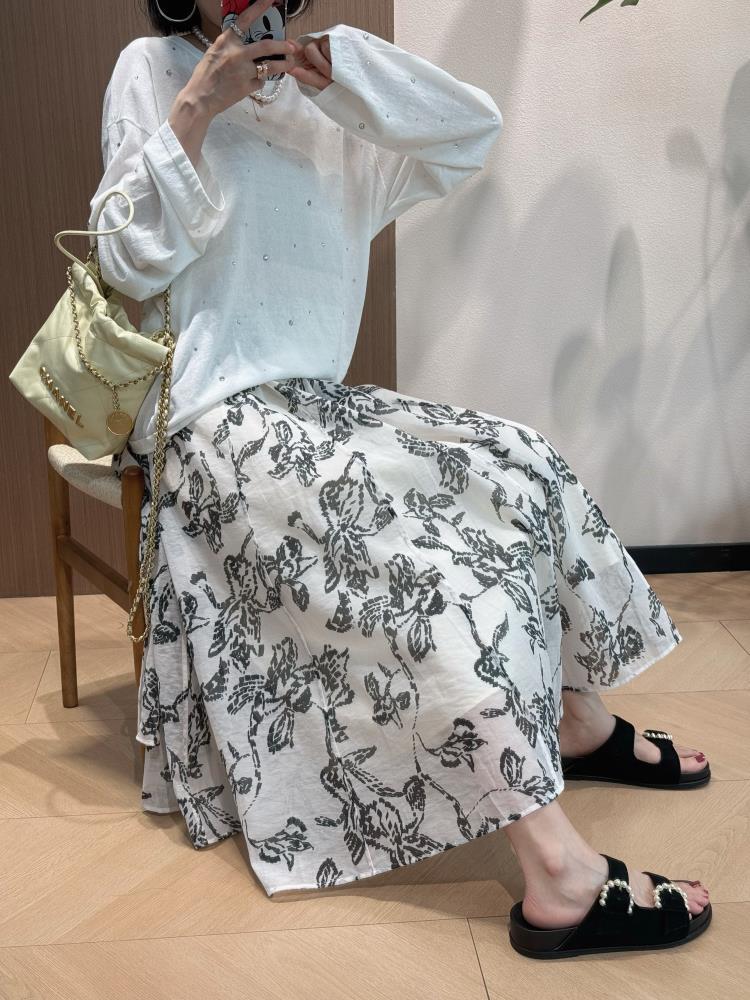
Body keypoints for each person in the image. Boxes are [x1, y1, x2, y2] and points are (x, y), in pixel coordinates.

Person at [90, 0, 711, 958]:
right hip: (213, 419)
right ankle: (556, 871)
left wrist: (348, 75)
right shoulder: (151, 70)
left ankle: (575, 718)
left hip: (317, 405)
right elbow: (125, 264)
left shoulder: (332, 99)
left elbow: (470, 132)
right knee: (423, 567)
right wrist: (197, 110)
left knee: (519, 462)